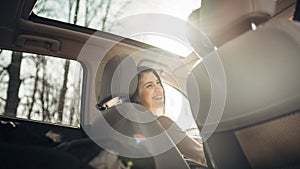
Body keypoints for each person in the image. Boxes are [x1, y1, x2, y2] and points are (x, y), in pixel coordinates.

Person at [129, 66, 207, 167]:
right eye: (149, 86)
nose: (158, 88)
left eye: (158, 83)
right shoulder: (161, 122)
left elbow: (180, 140)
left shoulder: (133, 123)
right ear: (136, 96)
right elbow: (202, 157)